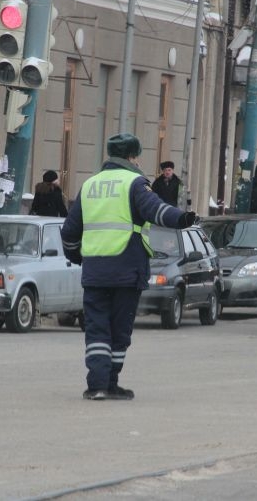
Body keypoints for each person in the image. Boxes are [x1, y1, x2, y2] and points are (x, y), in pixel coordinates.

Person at [61, 133, 196, 401]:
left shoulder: (89, 185)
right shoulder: (134, 183)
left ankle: (96, 386)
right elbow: (156, 210)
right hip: (126, 270)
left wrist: (78, 257)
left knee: (97, 329)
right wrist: (183, 218)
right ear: (132, 157)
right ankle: (110, 383)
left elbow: (69, 233)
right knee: (119, 330)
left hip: (95, 272)